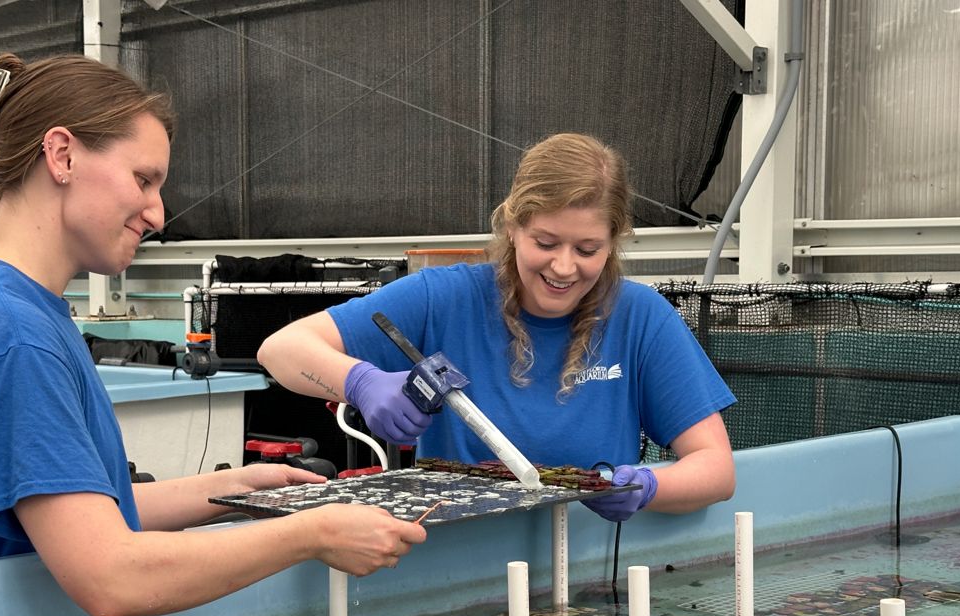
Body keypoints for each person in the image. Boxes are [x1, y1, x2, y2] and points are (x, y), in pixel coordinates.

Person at [0, 53, 425, 616]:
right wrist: (313, 533)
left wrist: (236, 489)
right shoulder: (16, 335)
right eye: (143, 180)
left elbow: (81, 517)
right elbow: (111, 576)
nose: (156, 214)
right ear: (62, 155)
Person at [258, 133, 736, 520]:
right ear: (512, 225)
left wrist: (648, 486)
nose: (565, 267)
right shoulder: (441, 298)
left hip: (588, 557)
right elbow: (280, 350)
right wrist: (361, 383)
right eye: (545, 242)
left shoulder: (641, 317)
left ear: (614, 241)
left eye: (588, 249)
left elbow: (715, 471)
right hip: (460, 560)